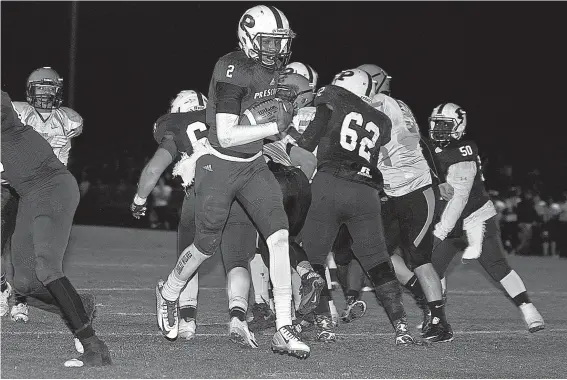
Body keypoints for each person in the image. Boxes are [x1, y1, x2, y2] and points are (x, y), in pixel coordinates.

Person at [154, 5, 310, 359]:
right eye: (269, 42)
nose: (276, 50)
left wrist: (286, 109)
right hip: (218, 167)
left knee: (280, 235)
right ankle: (170, 291)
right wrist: (276, 125)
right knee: (206, 246)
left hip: (254, 166)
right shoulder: (232, 68)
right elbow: (225, 135)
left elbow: (260, 112)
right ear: (249, 37)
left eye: (280, 43)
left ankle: (284, 325)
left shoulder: (275, 71)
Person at [295, 68, 419, 345]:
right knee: (377, 260)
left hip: (329, 185)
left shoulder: (331, 98)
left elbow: (308, 142)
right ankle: (401, 327)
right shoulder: (380, 119)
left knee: (313, 258)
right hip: (366, 192)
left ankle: (325, 321)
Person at [131, 90, 258, 347]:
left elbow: (155, 168)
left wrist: (139, 200)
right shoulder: (223, 115)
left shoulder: (174, 124)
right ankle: (237, 318)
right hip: (239, 190)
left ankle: (187, 321)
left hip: (201, 193)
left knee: (191, 254)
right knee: (237, 260)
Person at [1, 90, 110, 367]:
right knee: (25, 283)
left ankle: (93, 345)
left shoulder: (5, 117)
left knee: (47, 267)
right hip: (28, 195)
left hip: (54, 188)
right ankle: (80, 306)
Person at [426, 102, 545, 333]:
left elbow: (458, 199)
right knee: (432, 270)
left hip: (475, 219)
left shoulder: (462, 151)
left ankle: (528, 308)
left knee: (497, 266)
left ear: (459, 126)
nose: (439, 130)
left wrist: (439, 233)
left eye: (444, 125)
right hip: (450, 218)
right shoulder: (433, 149)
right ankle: (436, 316)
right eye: (436, 124)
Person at [3, 67, 83, 326]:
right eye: (40, 89)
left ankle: (21, 300)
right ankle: (6, 288)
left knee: (30, 249)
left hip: (44, 189)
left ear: (58, 92)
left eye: (50, 89)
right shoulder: (18, 112)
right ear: (30, 90)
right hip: (11, 186)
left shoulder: (68, 120)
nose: (45, 95)